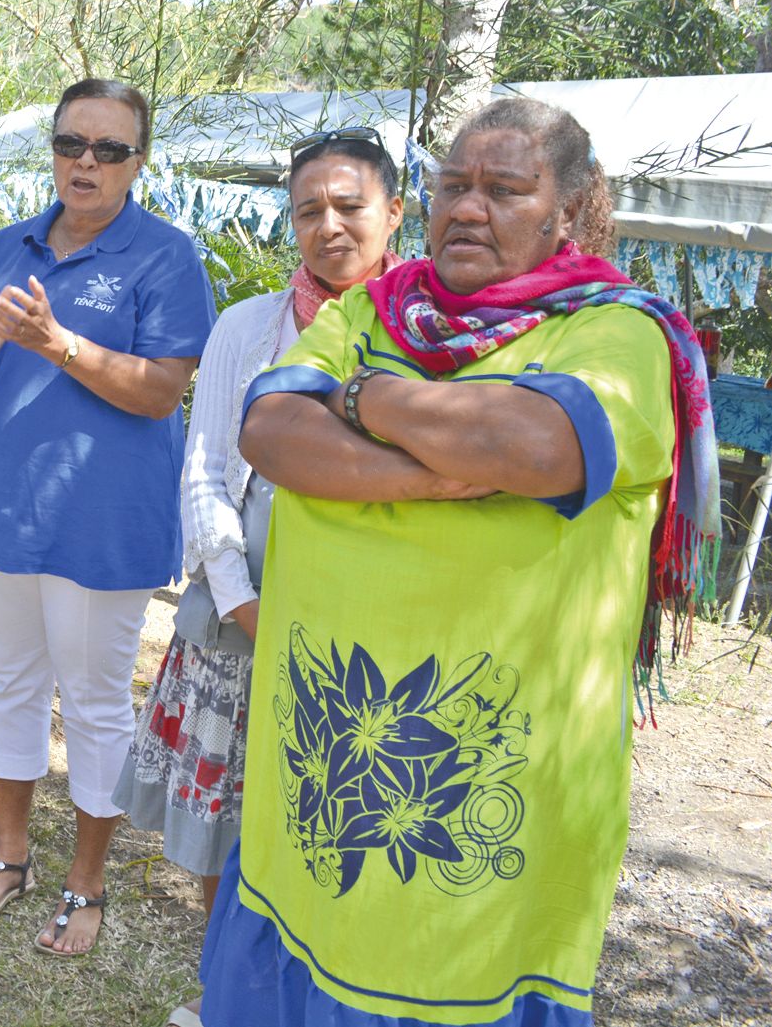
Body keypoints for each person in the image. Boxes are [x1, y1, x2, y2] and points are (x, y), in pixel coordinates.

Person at [201, 97, 717, 1027]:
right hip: (325, 782)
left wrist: (362, 396)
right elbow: (272, 429)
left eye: (506, 189)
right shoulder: (377, 304)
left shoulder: (619, 332)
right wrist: (439, 466)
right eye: (454, 185)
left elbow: (534, 444)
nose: (470, 208)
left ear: (567, 211)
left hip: (485, 824)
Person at [112, 128, 404, 1022]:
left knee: (345, 829)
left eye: (349, 206)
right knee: (229, 829)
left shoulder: (418, 333)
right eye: (308, 208)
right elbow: (204, 468)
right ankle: (226, 1000)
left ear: (394, 213)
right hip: (242, 616)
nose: (329, 226)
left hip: (370, 624)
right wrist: (241, 601)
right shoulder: (248, 327)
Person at [0, 78, 214, 952]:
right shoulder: (1, 246)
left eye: (107, 149)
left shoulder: (165, 257)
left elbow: (164, 388)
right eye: (69, 144)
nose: (84, 162)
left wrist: (60, 344)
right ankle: (10, 855)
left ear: (139, 161)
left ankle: (84, 882)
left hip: (101, 520)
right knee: (11, 680)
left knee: (94, 703)